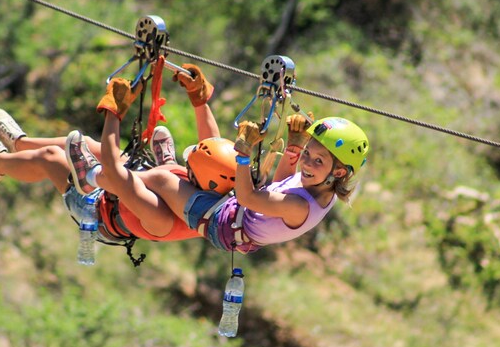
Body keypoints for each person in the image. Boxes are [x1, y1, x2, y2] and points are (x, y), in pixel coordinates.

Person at [66, 66, 370, 254]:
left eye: (318, 162)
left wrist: (243, 156)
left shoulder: (301, 205)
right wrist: (291, 148)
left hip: (224, 223)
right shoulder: (319, 188)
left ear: (339, 171)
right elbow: (278, 184)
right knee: (211, 160)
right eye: (308, 154)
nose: (307, 164)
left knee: (162, 179)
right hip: (235, 211)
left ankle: (93, 178)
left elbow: (248, 197)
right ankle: (177, 161)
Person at [0, 64, 230, 243]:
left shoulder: (160, 216)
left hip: (97, 206)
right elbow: (213, 147)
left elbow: (114, 176)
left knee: (51, 157)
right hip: (133, 184)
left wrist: (114, 114)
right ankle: (20, 145)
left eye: (190, 168)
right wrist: (199, 100)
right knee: (88, 144)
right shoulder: (212, 192)